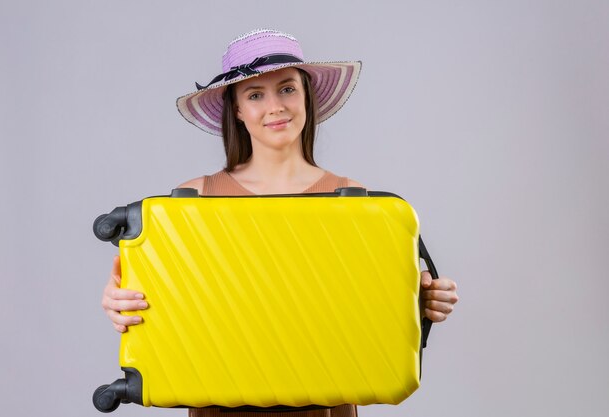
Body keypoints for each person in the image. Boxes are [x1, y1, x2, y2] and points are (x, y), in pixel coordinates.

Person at [101, 29, 459, 417]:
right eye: (255, 95)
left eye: (287, 89)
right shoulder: (192, 200)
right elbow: (152, 298)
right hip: (218, 403)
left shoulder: (354, 201)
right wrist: (119, 301)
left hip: (325, 404)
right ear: (237, 109)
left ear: (307, 96)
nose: (276, 107)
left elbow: (360, 310)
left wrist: (418, 300)